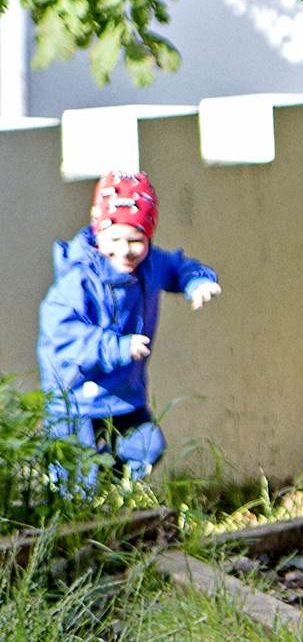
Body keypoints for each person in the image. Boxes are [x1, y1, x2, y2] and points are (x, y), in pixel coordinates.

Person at [36, 171, 220, 484]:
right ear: (98, 234)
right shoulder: (79, 278)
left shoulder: (149, 264)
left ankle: (113, 495)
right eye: (115, 240)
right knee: (77, 474)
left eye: (136, 240)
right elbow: (62, 335)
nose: (125, 250)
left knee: (146, 445)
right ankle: (73, 511)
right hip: (77, 396)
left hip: (124, 394)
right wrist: (117, 347)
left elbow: (179, 267)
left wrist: (197, 281)